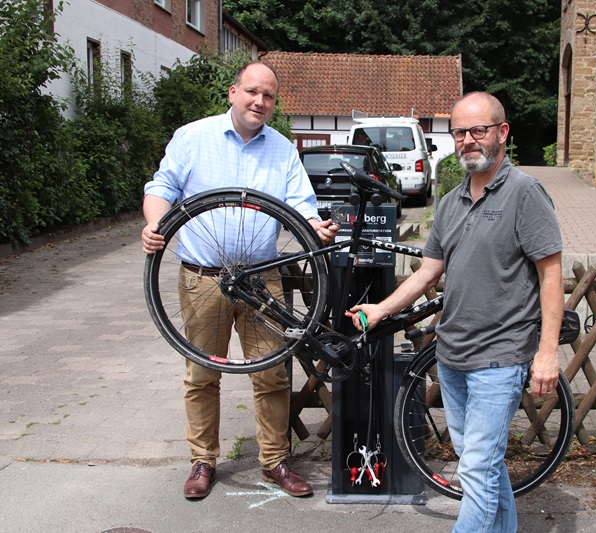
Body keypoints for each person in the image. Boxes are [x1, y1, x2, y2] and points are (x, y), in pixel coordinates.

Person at [348, 92, 564, 532]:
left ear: (501, 133)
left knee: (477, 470)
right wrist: (380, 308)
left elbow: (552, 276)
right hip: (451, 356)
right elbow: (426, 274)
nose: (467, 140)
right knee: (480, 465)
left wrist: (547, 352)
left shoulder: (526, 194)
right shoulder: (449, 202)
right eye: (459, 132)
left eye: (477, 131)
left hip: (499, 358)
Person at [141, 61, 338, 500]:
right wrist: (156, 226)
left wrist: (316, 227)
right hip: (203, 275)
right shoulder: (193, 137)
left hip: (260, 277)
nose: (259, 102)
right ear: (233, 92)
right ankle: (202, 460)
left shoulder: (282, 148)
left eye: (268, 96)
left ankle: (274, 460)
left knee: (271, 374)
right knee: (201, 373)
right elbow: (161, 188)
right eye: (252, 92)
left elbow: (301, 205)